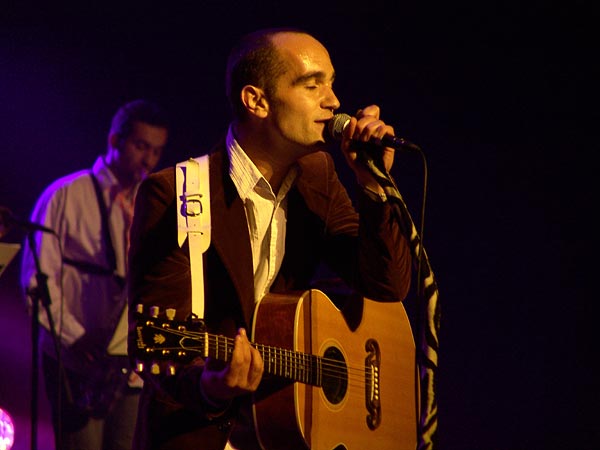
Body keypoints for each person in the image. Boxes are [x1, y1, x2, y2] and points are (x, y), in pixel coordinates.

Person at [127, 28, 413, 450]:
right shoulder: (179, 194)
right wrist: (212, 389)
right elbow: (157, 349)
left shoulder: (320, 177)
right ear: (256, 101)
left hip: (284, 432)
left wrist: (374, 184)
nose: (333, 101)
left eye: (331, 83)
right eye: (312, 84)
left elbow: (386, 286)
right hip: (199, 436)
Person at [21, 99, 170, 450]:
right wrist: (74, 337)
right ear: (114, 141)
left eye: (157, 152)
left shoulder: (152, 204)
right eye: (141, 147)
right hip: (75, 360)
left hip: (129, 370)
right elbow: (35, 282)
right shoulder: (64, 195)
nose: (149, 161)